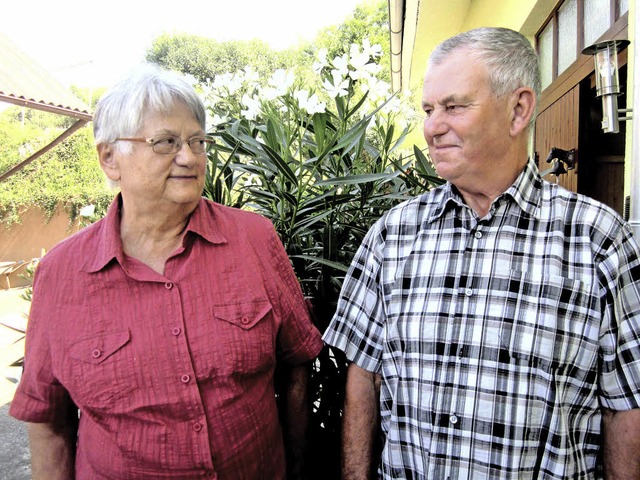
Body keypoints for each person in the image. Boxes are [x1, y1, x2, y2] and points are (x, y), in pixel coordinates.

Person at [323, 27, 640, 479]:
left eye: (454, 106)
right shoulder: (392, 236)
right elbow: (362, 378)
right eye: (429, 110)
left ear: (518, 109)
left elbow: (626, 405)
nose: (432, 126)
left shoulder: (597, 240)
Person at [10, 65, 324, 479]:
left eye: (198, 141)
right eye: (166, 142)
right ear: (109, 158)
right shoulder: (62, 272)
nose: (190, 157)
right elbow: (48, 421)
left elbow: (298, 362)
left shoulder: (254, 239)